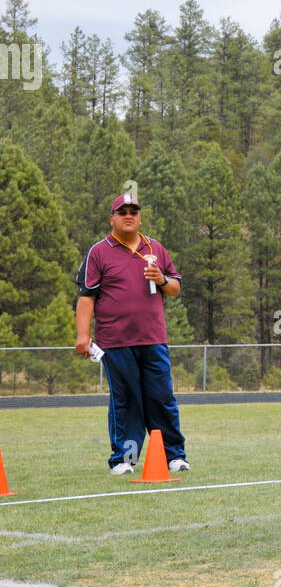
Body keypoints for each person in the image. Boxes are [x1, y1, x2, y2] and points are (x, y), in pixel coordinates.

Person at [75, 193, 189, 475]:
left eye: (133, 211)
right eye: (122, 211)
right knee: (126, 400)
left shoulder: (155, 248)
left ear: (139, 217)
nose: (129, 215)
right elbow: (86, 297)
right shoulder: (99, 252)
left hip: (153, 339)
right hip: (116, 342)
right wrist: (82, 335)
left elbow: (175, 287)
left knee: (162, 398)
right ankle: (124, 459)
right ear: (112, 218)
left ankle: (173, 456)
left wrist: (162, 280)